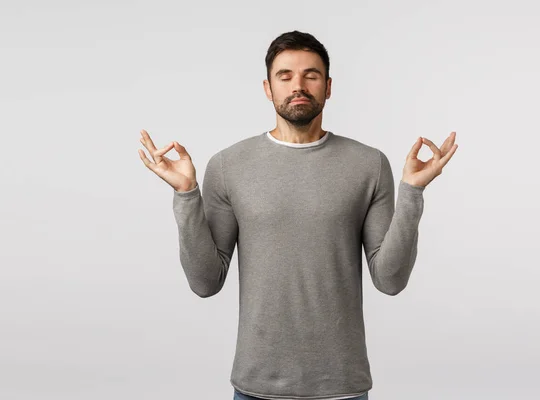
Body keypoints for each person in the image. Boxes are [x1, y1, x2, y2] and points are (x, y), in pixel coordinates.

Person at [138, 30, 458, 400]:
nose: (298, 85)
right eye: (285, 76)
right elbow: (205, 282)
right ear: (267, 87)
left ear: (328, 86)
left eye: (311, 75)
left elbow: (390, 280)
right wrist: (186, 195)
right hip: (256, 387)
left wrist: (412, 193)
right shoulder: (228, 165)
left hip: (342, 388)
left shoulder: (368, 164)